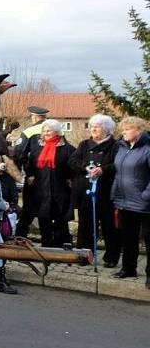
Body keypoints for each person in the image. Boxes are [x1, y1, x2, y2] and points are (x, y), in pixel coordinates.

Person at [69, 114, 120, 267]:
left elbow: (118, 164)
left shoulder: (115, 146)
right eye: (92, 126)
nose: (93, 129)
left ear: (107, 130)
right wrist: (85, 167)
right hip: (86, 192)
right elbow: (72, 161)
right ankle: (84, 256)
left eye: (97, 127)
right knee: (85, 226)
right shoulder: (84, 144)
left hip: (106, 193)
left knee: (108, 226)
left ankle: (111, 258)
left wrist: (102, 170)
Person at [21, 119, 75, 247]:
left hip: (60, 190)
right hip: (40, 190)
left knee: (60, 220)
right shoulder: (37, 148)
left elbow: (73, 167)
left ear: (57, 132)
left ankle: (60, 245)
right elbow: (30, 165)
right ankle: (46, 245)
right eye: (44, 131)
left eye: (49, 130)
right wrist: (30, 175)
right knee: (43, 218)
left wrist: (71, 179)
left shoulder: (68, 149)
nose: (46, 133)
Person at [110, 116, 150, 287]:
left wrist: (146, 196)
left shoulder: (147, 149)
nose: (123, 132)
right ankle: (128, 268)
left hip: (145, 203)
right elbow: (119, 173)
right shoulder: (122, 148)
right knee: (128, 237)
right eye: (123, 129)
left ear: (138, 130)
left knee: (149, 239)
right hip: (124, 201)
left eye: (127, 129)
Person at [15, 105, 49, 170]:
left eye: (31, 116)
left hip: (36, 170)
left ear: (34, 117)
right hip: (56, 170)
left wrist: (17, 170)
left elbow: (20, 153)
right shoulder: (58, 131)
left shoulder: (29, 132)